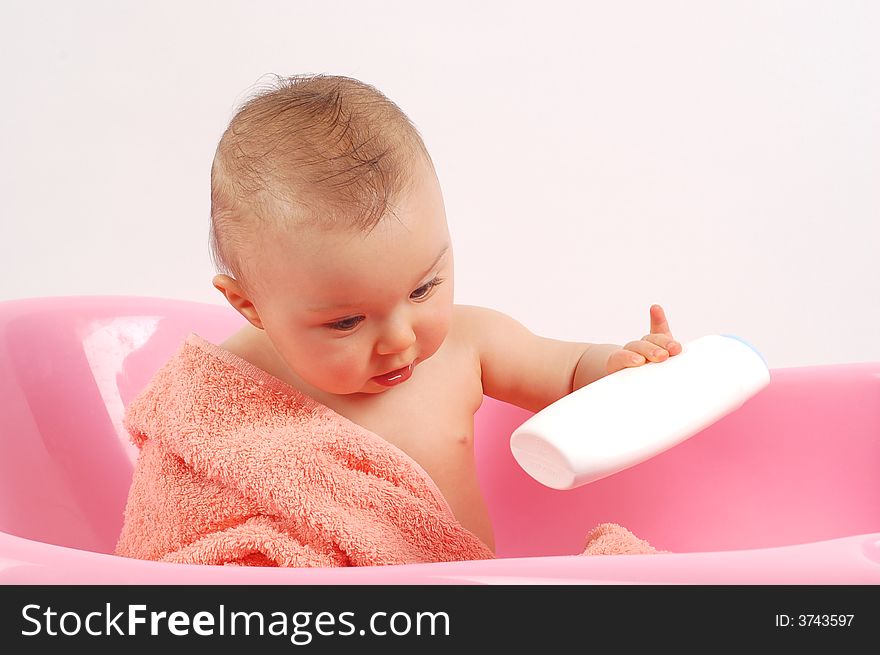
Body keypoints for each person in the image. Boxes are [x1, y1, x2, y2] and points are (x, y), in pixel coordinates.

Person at [208, 73, 681, 554]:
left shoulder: (470, 342)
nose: (399, 339)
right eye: (347, 322)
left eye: (422, 289)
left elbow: (571, 372)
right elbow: (200, 531)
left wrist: (624, 369)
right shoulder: (227, 394)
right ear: (250, 305)